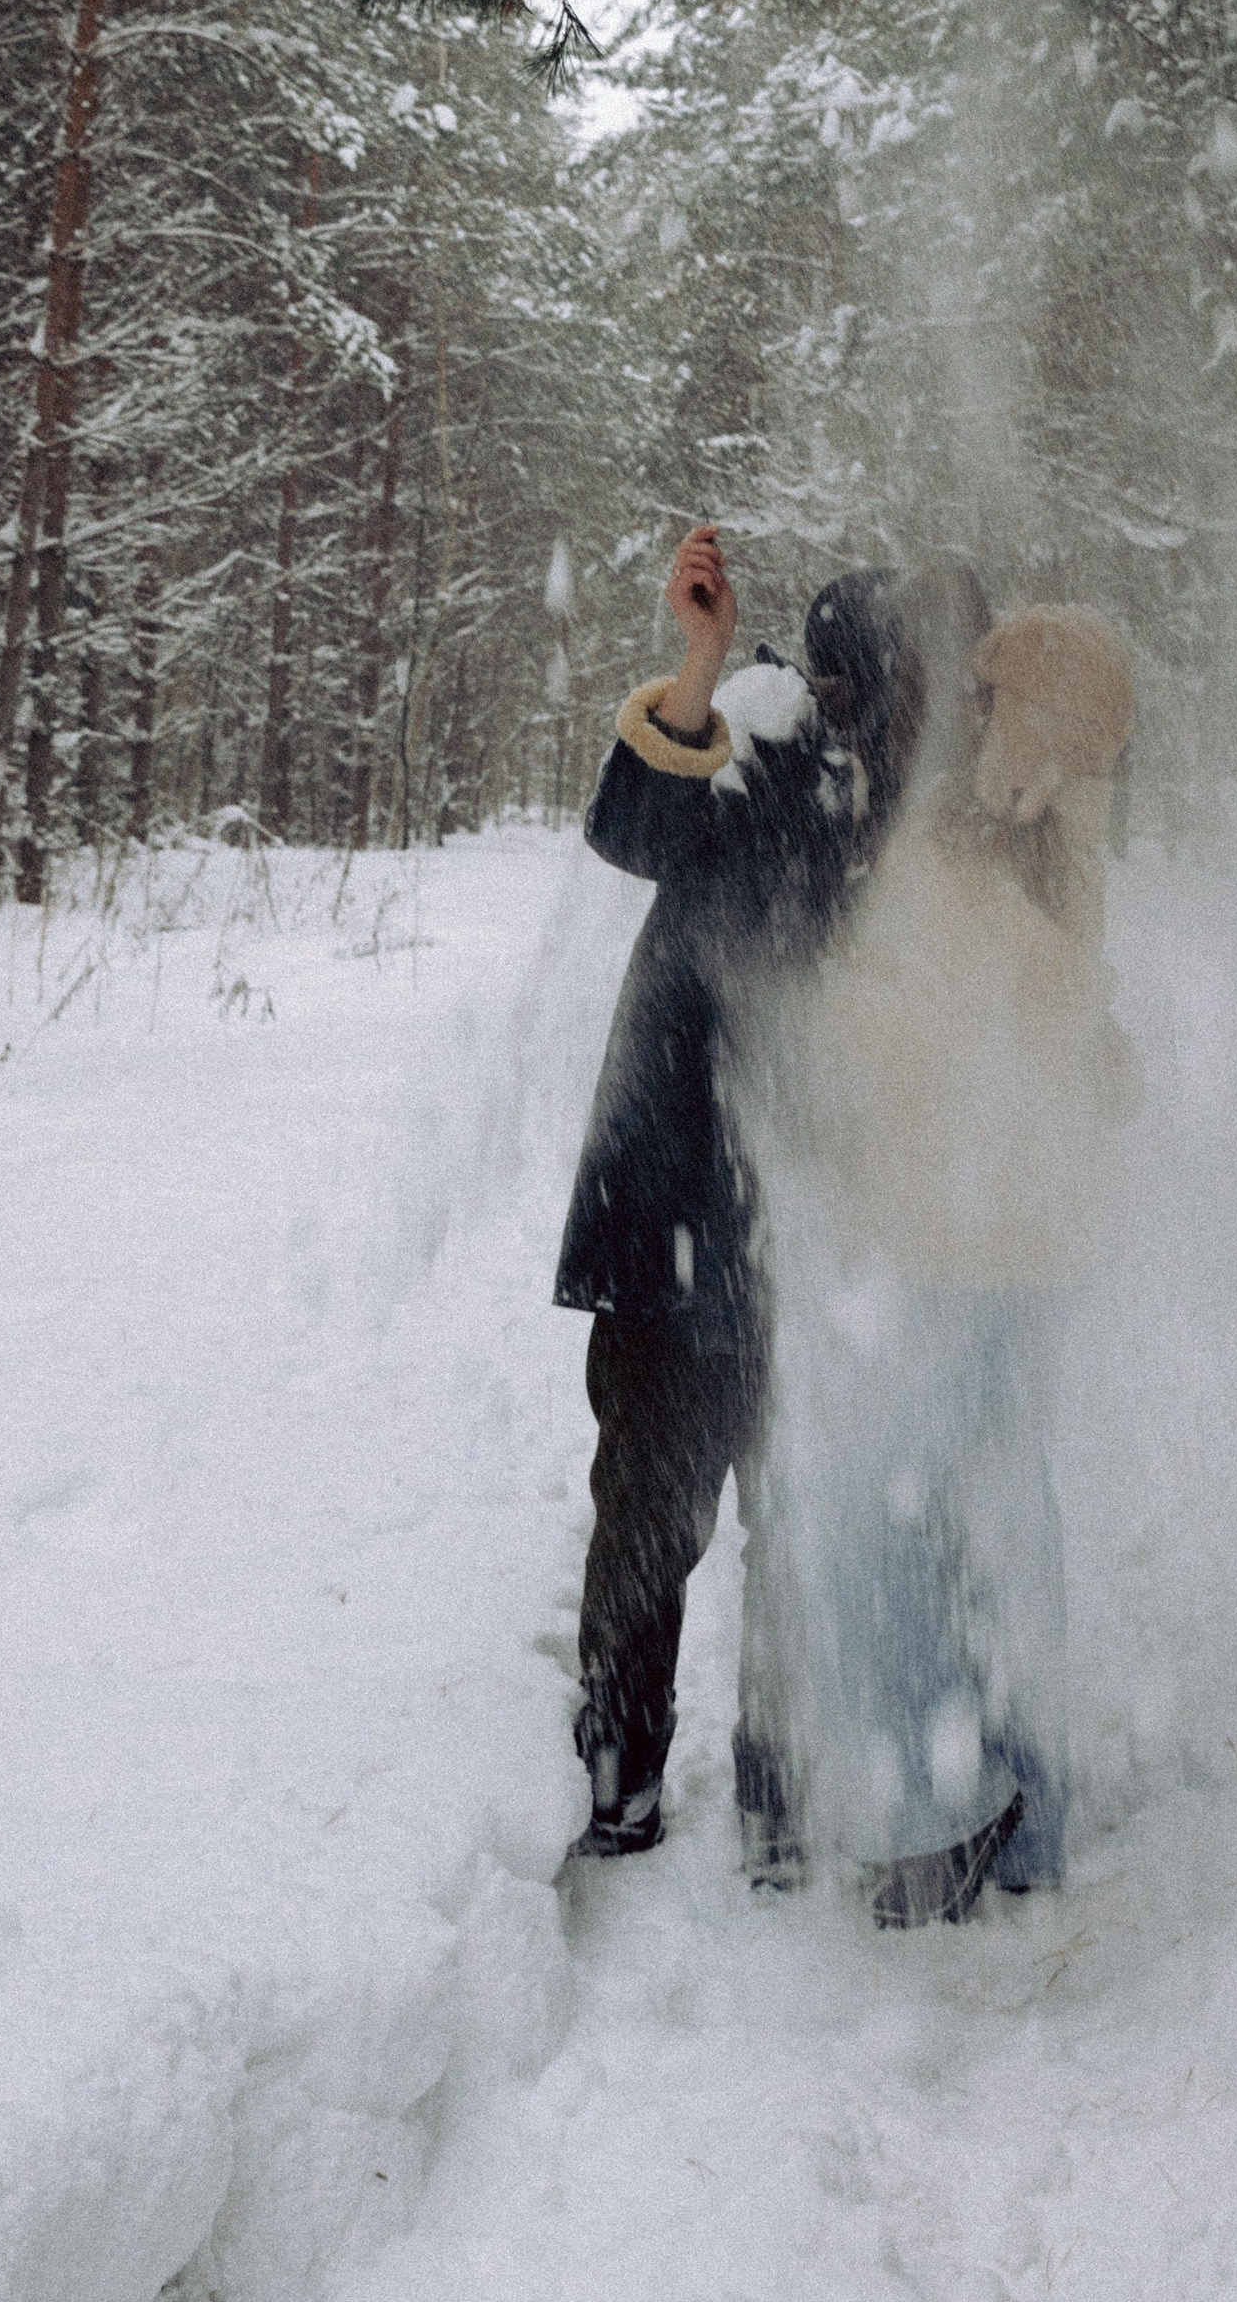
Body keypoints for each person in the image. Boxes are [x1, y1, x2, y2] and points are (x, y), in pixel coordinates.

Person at [801, 599, 1140, 1927]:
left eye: (1000, 699)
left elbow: (945, 1028)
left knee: (870, 1519)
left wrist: (836, 1008)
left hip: (967, 1239)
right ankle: (1029, 1810)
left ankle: (943, 1812)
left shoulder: (1014, 846)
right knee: (1000, 1516)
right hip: (1011, 1237)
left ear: (1040, 719)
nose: (980, 717)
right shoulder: (1041, 847)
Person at [557, 524, 864, 1866]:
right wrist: (697, 661)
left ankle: (782, 1795)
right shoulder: (756, 746)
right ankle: (621, 1776)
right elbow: (632, 824)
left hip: (808, 1230)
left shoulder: (896, 807)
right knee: (651, 1519)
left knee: (803, 1519)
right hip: (679, 1199)